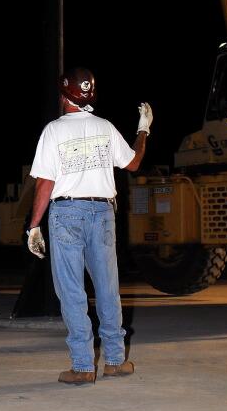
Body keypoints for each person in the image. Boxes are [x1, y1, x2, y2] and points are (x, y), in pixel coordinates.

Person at [26, 66, 152, 385]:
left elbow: (44, 183)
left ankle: (83, 366)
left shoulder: (53, 130)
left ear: (63, 95)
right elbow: (134, 163)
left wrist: (34, 226)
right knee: (107, 286)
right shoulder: (106, 127)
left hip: (66, 212)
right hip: (103, 212)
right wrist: (143, 130)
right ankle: (114, 360)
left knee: (71, 289)